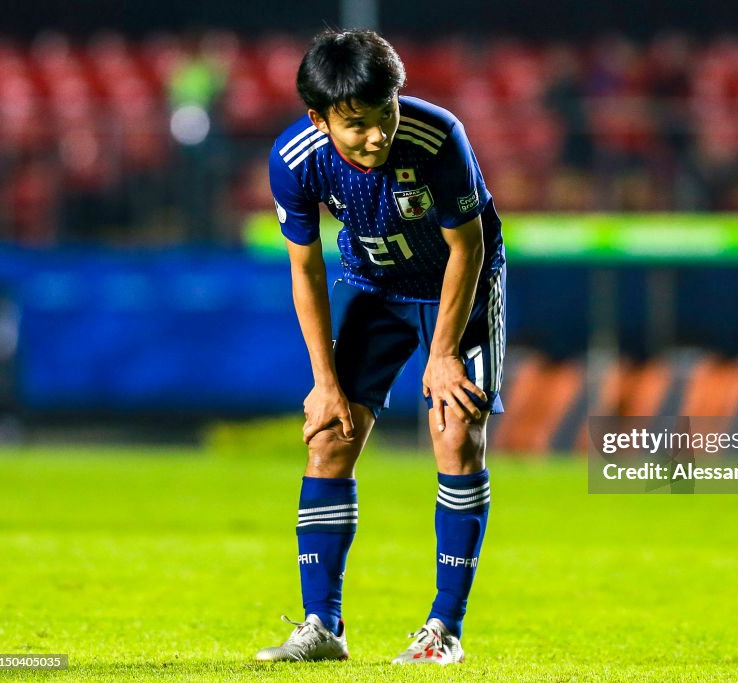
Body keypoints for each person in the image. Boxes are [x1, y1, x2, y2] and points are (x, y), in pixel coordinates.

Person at [255, 29, 505, 666]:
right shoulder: (296, 159)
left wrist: (445, 352)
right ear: (321, 118)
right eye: (357, 123)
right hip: (376, 289)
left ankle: (443, 630)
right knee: (329, 435)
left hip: (462, 290)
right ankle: (322, 625)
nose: (377, 135)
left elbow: (468, 247)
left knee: (454, 430)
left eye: (386, 113)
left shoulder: (437, 136)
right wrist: (323, 380)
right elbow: (305, 271)